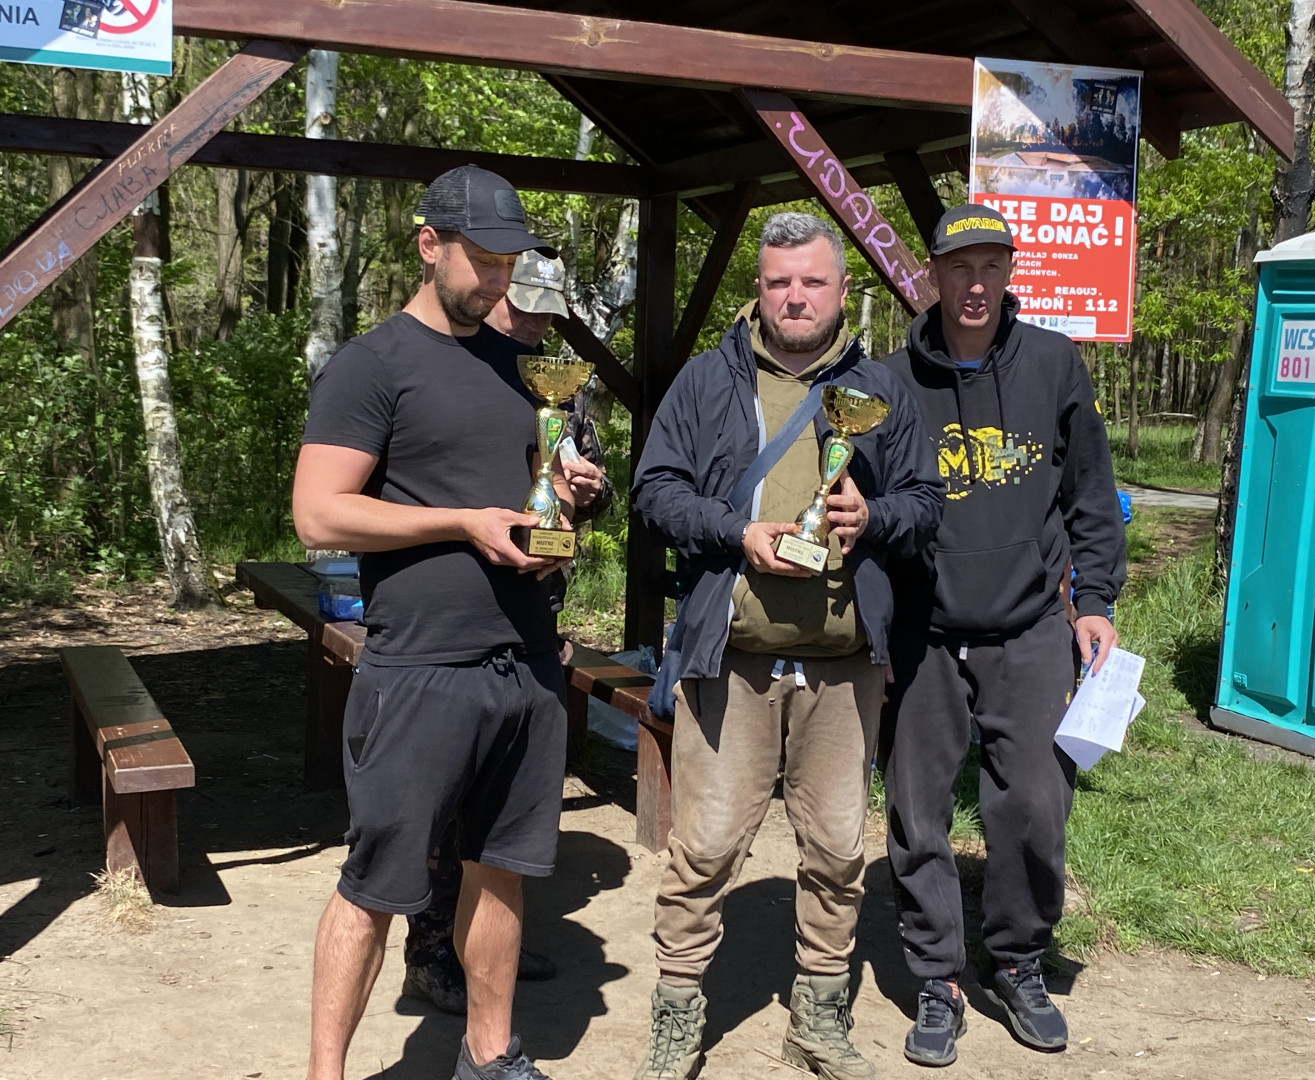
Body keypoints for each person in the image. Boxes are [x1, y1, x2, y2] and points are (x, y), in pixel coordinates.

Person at [629, 212, 945, 1080]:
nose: (795, 297)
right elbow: (654, 491)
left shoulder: (882, 389)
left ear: (843, 289)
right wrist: (735, 533)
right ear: (759, 290)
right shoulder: (707, 381)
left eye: (812, 281)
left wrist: (872, 516)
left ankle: (818, 1019)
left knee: (839, 851)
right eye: (779, 282)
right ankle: (677, 1021)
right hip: (732, 660)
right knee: (703, 849)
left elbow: (927, 503)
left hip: (844, 669)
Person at [292, 165, 571, 1080]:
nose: (498, 279)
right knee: (376, 884)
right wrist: (462, 523)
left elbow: (528, 497)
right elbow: (319, 514)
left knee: (500, 868)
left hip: (526, 660)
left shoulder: (517, 366)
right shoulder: (372, 365)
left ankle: (489, 1057)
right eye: (482, 260)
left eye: (509, 263)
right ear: (429, 245)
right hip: (420, 667)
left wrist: (566, 498)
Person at [877, 204, 1126, 1066]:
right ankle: (938, 978)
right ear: (933, 276)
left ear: (1011, 272)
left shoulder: (1053, 363)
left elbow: (1090, 491)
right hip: (923, 632)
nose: (975, 284)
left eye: (991, 266)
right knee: (917, 812)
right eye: (959, 267)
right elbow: (864, 506)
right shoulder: (890, 380)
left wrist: (1093, 600)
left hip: (1029, 627)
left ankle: (1017, 959)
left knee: (1033, 804)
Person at [402, 249, 612, 1014]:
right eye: (521, 306)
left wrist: (587, 490)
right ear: (491, 292)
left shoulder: (562, 387)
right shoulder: (448, 370)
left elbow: (594, 492)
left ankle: (488, 950)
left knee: (507, 809)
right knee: (444, 801)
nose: (531, 323)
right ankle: (430, 954)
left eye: (546, 312)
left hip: (534, 620)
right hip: (453, 618)